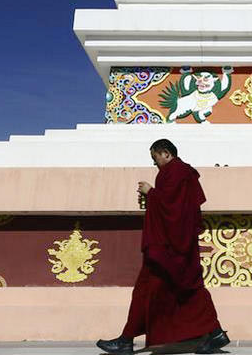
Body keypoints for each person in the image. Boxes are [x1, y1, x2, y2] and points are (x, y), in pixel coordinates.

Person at [97, 139, 230, 355]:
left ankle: (126, 341)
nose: (154, 163)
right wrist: (153, 198)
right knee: (183, 290)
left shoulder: (176, 172)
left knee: (161, 291)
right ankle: (214, 333)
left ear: (166, 153)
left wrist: (151, 192)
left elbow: (173, 208)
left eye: (155, 158)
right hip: (177, 246)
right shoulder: (181, 173)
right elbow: (178, 207)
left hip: (169, 248)